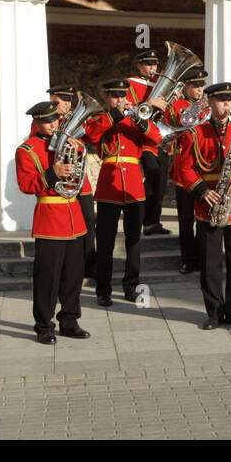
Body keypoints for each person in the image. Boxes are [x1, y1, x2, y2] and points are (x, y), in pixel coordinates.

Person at [174, 82, 231, 329]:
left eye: (229, 101)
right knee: (210, 265)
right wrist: (202, 191)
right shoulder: (194, 133)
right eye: (221, 101)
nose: (226, 105)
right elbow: (184, 168)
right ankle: (213, 312)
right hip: (208, 205)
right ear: (209, 103)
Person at [85, 79, 164, 306]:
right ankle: (103, 289)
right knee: (106, 240)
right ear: (107, 99)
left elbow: (156, 138)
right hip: (109, 186)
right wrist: (115, 116)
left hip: (132, 187)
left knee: (133, 240)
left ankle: (132, 286)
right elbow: (92, 136)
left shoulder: (136, 120)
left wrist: (140, 120)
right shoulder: (101, 119)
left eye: (123, 96)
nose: (120, 100)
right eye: (115, 96)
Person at [17, 101, 90, 344]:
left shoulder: (69, 142)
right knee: (47, 277)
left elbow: (79, 175)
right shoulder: (26, 150)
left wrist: (77, 151)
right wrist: (52, 173)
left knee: (74, 275)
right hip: (49, 218)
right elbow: (26, 185)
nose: (53, 124)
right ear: (36, 123)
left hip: (74, 216)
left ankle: (69, 319)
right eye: (47, 121)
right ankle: (44, 325)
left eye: (55, 120)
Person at [47, 84, 97, 280]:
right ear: (53, 99)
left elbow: (91, 135)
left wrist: (78, 144)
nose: (68, 104)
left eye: (69, 100)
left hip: (78, 180)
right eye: (63, 100)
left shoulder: (73, 120)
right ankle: (72, 264)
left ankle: (89, 265)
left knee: (89, 221)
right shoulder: (46, 120)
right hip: (61, 179)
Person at [167, 67, 208, 275]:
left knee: (203, 217)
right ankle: (188, 259)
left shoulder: (208, 106)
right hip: (184, 169)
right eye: (196, 86)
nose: (200, 90)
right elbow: (167, 131)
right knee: (185, 219)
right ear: (186, 87)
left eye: (202, 85)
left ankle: (203, 258)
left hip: (206, 169)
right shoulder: (176, 106)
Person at [128, 48, 172, 236]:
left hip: (159, 138)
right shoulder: (130, 84)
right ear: (139, 66)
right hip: (141, 139)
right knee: (151, 175)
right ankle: (140, 218)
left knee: (161, 180)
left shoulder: (160, 84)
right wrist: (150, 104)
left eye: (154, 64)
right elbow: (128, 109)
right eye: (148, 64)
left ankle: (153, 221)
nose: (152, 67)